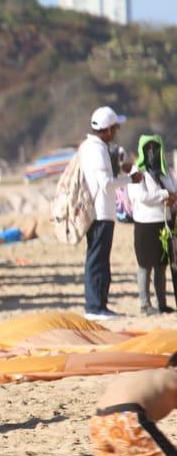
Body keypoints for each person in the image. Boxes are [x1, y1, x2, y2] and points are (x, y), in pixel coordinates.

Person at [80, 107, 133, 320]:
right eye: (116, 127)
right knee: (97, 260)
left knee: (100, 260)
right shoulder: (96, 149)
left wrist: (121, 170)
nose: (117, 131)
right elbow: (105, 183)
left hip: (101, 212)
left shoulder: (93, 147)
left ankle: (99, 305)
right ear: (109, 129)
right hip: (100, 213)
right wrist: (130, 180)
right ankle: (94, 307)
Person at [127, 135, 177, 315]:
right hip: (145, 225)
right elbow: (142, 197)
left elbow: (174, 190)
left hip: (165, 223)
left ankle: (161, 304)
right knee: (145, 265)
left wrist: (172, 198)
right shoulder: (136, 171)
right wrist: (165, 195)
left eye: (155, 147)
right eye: (147, 148)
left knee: (161, 265)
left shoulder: (166, 170)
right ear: (141, 149)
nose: (151, 151)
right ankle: (145, 304)